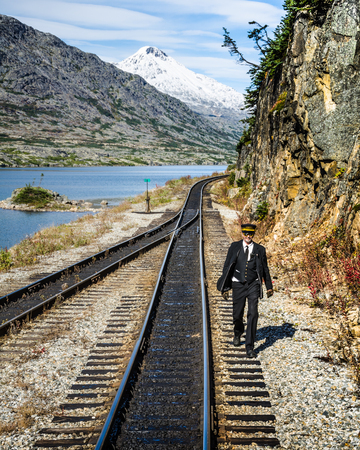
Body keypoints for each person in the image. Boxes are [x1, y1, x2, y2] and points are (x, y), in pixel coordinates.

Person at [217, 223, 273, 358]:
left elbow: (265, 269)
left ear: (253, 234)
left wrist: (269, 286)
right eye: (246, 233)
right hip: (238, 284)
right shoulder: (234, 247)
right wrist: (225, 286)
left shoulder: (260, 249)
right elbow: (227, 266)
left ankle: (250, 347)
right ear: (242, 233)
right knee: (237, 314)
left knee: (253, 313)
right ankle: (237, 332)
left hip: (253, 284)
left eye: (251, 234)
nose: (248, 236)